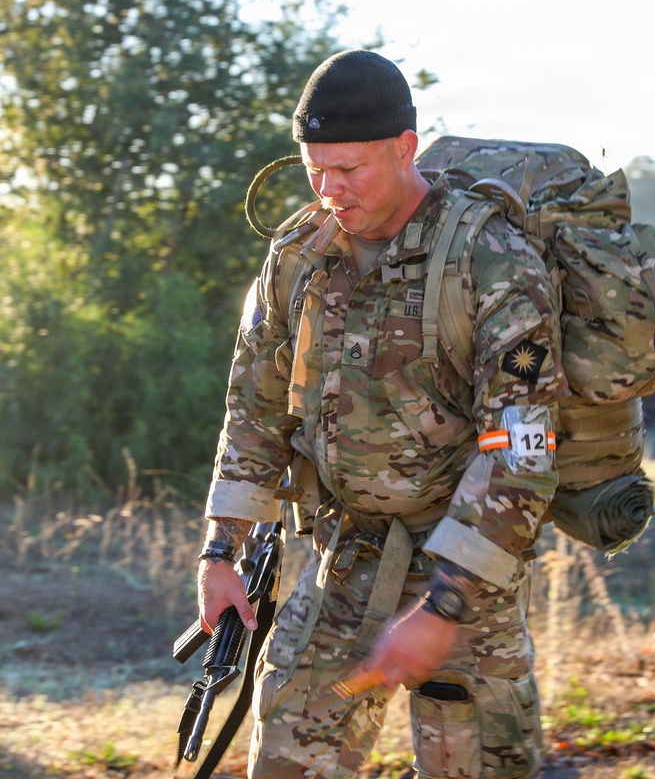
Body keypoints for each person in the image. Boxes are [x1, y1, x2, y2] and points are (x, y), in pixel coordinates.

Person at [196, 49, 568, 779]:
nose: (330, 189)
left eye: (351, 169)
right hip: (347, 556)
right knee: (286, 758)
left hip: (465, 576)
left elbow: (520, 447)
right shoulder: (299, 251)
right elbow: (254, 402)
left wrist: (444, 606)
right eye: (315, 167)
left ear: (405, 149)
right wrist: (221, 551)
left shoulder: (490, 260)